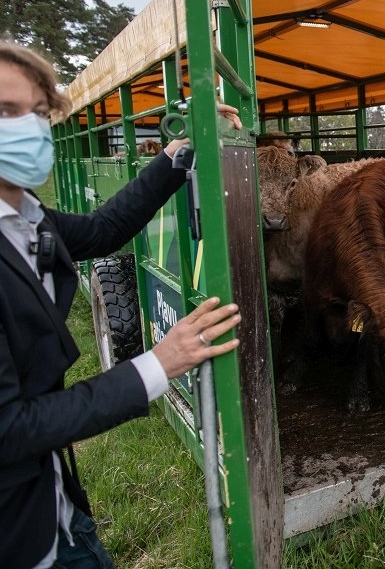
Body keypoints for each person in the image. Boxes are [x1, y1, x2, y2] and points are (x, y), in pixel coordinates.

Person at [0, 40, 244, 569]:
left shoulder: (26, 215)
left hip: (52, 498)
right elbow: (8, 427)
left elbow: (102, 229)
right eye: (5, 112)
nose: (28, 128)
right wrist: (157, 364)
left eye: (38, 114)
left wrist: (175, 155)